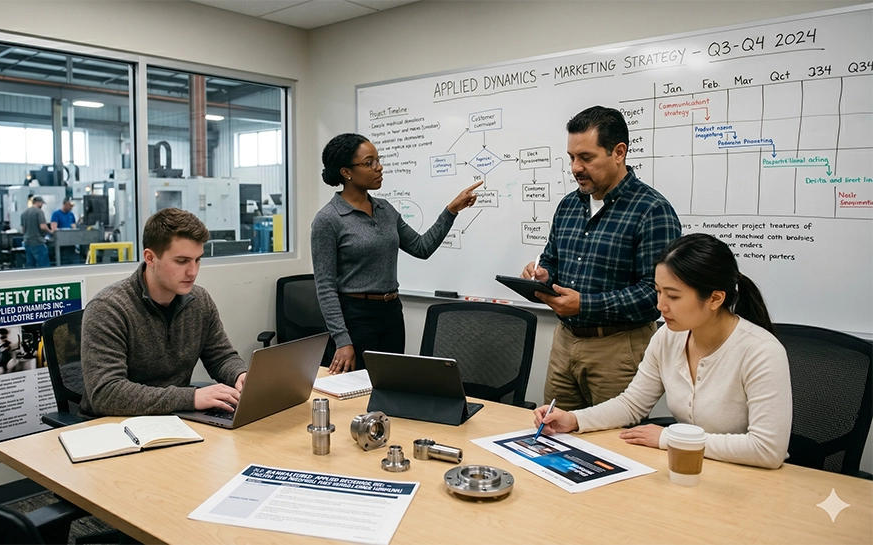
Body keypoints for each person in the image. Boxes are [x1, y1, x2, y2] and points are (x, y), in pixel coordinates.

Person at [533, 233, 792, 469]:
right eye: (658, 292)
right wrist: (574, 420)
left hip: (748, 478)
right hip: (691, 467)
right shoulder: (669, 336)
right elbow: (631, 404)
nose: (660, 306)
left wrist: (669, 438)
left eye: (673, 296)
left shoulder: (761, 352)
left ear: (715, 299)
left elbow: (767, 450)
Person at [521, 106, 682, 410]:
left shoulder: (653, 211)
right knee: (552, 435)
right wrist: (544, 277)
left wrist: (585, 304)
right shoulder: (569, 205)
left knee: (611, 448)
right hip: (565, 342)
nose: (575, 168)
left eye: (586, 157)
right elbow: (553, 260)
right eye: (571, 157)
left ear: (618, 152)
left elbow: (655, 294)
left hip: (618, 347)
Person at [312, 133, 482, 374]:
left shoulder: (385, 209)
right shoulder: (328, 219)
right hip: (355, 318)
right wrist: (342, 339)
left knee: (390, 385)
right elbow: (325, 287)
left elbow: (422, 248)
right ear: (346, 172)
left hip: (391, 313)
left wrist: (451, 210)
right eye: (369, 162)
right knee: (356, 394)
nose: (379, 167)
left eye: (378, 160)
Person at [80, 208, 248, 416]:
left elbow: (221, 357)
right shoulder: (108, 308)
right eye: (182, 261)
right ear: (150, 258)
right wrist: (191, 398)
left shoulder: (200, 301)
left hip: (176, 419)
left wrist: (240, 375)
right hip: (114, 428)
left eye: (198, 260)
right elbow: (106, 394)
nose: (193, 272)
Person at [21, 196, 51, 268]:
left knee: (31, 265)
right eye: (42, 204)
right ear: (39, 203)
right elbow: (43, 226)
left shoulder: (24, 213)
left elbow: (23, 230)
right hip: (37, 242)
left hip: (27, 242)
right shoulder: (39, 212)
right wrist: (50, 231)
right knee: (44, 265)